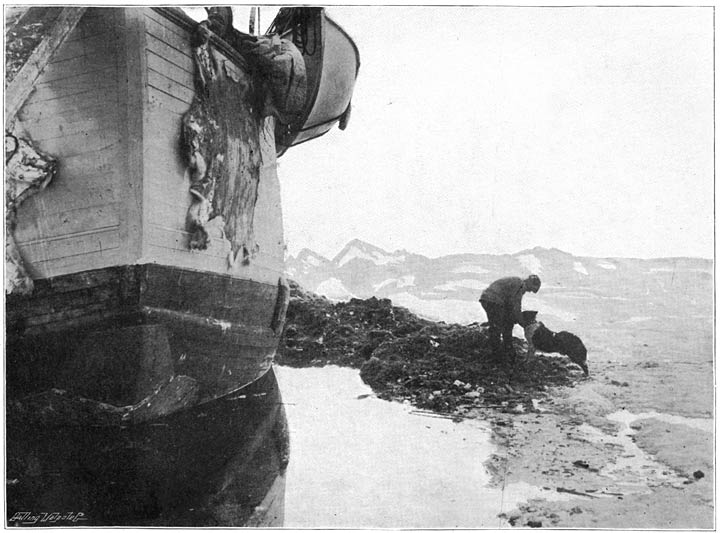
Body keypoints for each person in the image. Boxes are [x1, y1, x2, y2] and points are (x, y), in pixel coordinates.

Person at [480, 275, 541, 362]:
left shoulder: (516, 282)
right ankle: (496, 355)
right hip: (492, 299)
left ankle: (504, 350)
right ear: (530, 282)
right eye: (531, 289)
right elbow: (516, 305)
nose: (529, 291)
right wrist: (523, 323)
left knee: (503, 324)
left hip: (488, 298)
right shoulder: (520, 285)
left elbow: (511, 303)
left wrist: (514, 318)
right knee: (496, 327)